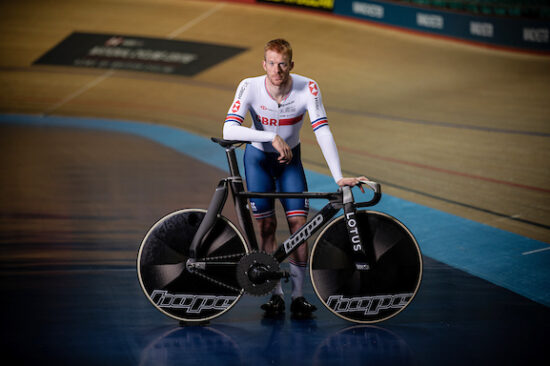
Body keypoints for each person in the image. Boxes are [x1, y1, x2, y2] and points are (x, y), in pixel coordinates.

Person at [223, 39, 366, 317]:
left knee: (299, 227)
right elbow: (229, 130)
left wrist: (338, 177)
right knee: (265, 227)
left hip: (290, 163)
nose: (277, 69)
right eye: (272, 63)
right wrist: (271, 137)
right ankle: (275, 294)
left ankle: (298, 296)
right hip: (258, 160)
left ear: (291, 65)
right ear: (264, 65)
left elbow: (322, 130)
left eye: (283, 64)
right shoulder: (249, 86)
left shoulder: (307, 87)